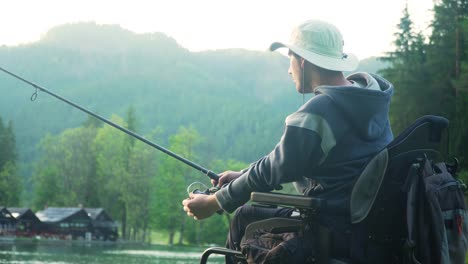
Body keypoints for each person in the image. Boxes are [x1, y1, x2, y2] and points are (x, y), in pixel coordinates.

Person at [182, 19, 394, 260]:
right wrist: (243, 174)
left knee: (244, 217)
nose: (288, 69)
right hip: (363, 227)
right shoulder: (369, 98)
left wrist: (212, 202)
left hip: (330, 227)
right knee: (249, 212)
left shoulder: (320, 112)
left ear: (302, 62)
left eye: (290, 59)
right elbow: (287, 161)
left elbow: (272, 170)